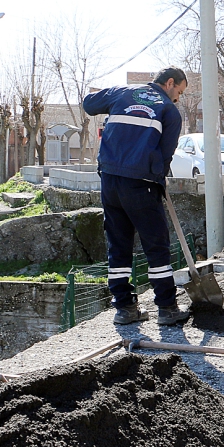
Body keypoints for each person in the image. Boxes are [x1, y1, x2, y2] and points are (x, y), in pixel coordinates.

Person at [83, 67, 190, 326]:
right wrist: (158, 179)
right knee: (156, 244)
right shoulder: (168, 110)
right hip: (141, 184)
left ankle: (125, 309)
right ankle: (166, 307)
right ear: (170, 83)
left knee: (118, 245)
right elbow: (166, 154)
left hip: (109, 180)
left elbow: (88, 103)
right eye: (180, 92)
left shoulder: (123, 93)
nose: (178, 98)